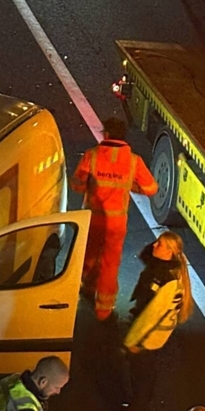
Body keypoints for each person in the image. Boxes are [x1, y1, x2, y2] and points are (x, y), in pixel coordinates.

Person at [70, 116, 158, 321]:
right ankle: (104, 310)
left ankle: (85, 289)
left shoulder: (91, 155)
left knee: (88, 257)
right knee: (110, 264)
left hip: (93, 218)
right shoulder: (134, 160)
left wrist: (91, 186)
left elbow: (77, 184)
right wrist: (129, 187)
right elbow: (151, 188)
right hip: (116, 223)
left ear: (106, 134)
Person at [109, 230, 194, 411]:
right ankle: (139, 410)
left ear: (170, 253)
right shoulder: (164, 271)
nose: (154, 245)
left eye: (161, 244)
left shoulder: (165, 279)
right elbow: (145, 254)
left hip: (148, 339)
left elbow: (150, 317)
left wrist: (132, 342)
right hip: (153, 339)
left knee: (141, 379)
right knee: (145, 378)